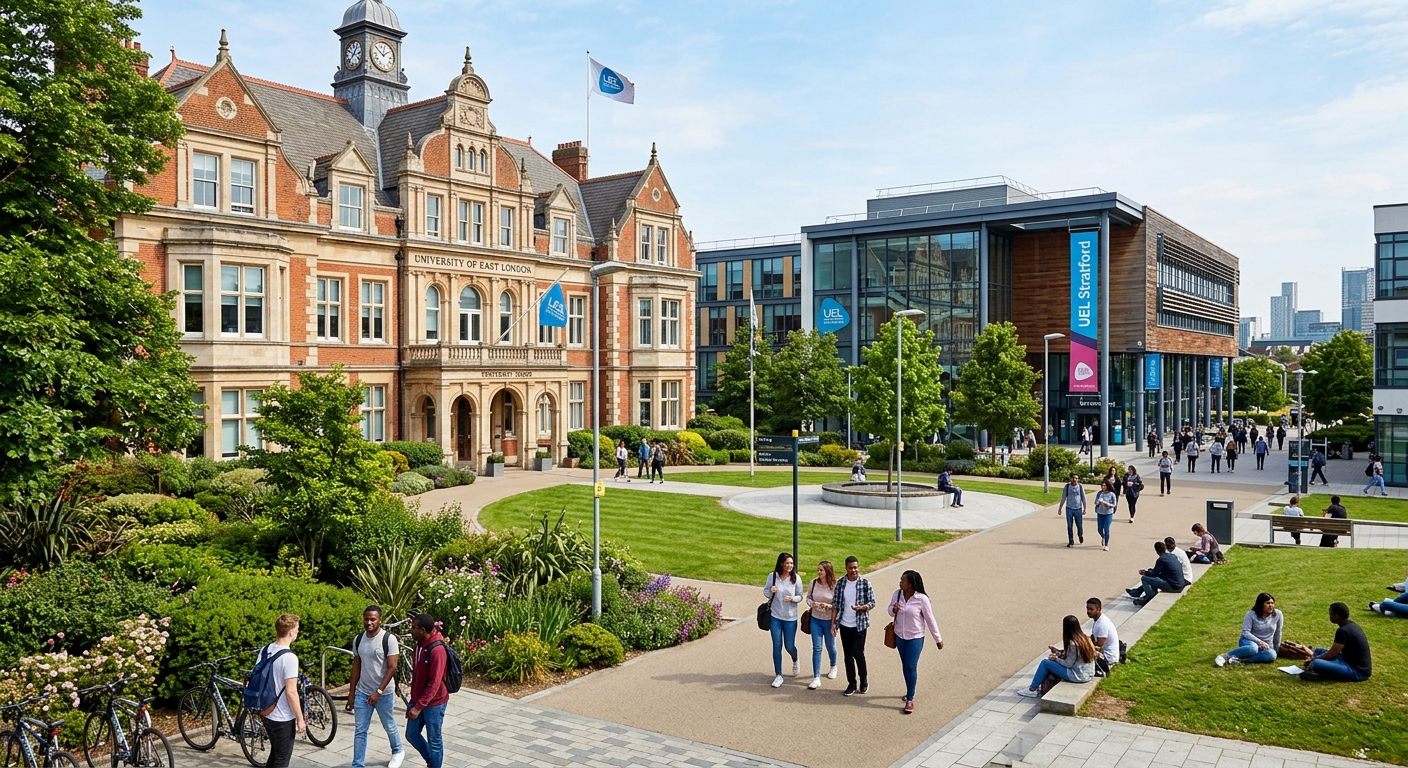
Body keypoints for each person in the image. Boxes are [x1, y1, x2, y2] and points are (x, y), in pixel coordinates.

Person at [346, 606, 405, 768]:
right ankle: (357, 764)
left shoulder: (389, 639)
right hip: (363, 692)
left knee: (389, 724)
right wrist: (351, 693)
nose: (369, 622)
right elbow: (356, 666)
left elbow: (392, 667)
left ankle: (398, 750)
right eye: (366, 619)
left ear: (380, 619)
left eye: (373, 619)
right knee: (360, 730)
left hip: (383, 693)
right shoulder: (359, 639)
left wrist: (378, 692)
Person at [887, 570, 944, 714]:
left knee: (911, 666)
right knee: (905, 666)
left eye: (903, 580)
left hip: (915, 637)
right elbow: (889, 611)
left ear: (910, 584)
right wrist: (894, 609)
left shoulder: (921, 599)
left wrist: (938, 639)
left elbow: (930, 620)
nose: (900, 582)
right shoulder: (897, 594)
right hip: (900, 636)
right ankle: (909, 690)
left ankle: (910, 699)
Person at [259, 613, 304, 768]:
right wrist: (300, 718)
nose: (298, 632)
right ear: (290, 632)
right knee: (282, 760)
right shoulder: (290, 658)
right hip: (282, 717)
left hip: (266, 712)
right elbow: (291, 693)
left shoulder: (265, 650)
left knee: (275, 753)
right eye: (297, 629)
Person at [406, 613, 448, 768]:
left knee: (434, 740)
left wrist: (418, 707)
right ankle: (432, 761)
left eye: (413, 628)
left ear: (423, 630)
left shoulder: (437, 650)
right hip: (418, 700)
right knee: (411, 734)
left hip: (434, 703)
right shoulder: (418, 646)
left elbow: (434, 683)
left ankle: (434, 764)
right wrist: (414, 701)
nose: (411, 631)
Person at [1017, 615, 1096, 698]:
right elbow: (1075, 657)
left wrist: (1056, 659)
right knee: (1049, 663)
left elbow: (1068, 664)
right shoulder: (1085, 638)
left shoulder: (1073, 643)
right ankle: (1035, 687)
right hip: (1088, 673)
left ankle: (1032, 689)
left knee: (1045, 663)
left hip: (1078, 675)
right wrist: (1059, 653)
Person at [1301, 603, 1371, 682]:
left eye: (1330, 614)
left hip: (1357, 672)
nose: (1329, 616)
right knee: (1318, 650)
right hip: (1347, 659)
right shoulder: (1351, 625)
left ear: (1336, 616)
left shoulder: (1343, 631)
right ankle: (1324, 669)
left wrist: (1313, 659)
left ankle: (1321, 672)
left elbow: (1332, 654)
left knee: (1317, 663)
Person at [835, 556, 875, 696]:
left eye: (856, 567)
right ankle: (851, 683)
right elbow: (836, 604)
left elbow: (872, 602)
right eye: (851, 568)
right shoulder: (840, 583)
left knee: (858, 653)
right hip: (845, 624)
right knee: (847, 656)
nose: (854, 570)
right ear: (846, 568)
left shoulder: (865, 583)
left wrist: (864, 607)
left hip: (860, 625)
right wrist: (833, 624)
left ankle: (863, 680)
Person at [764, 552, 804, 688]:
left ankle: (795, 658)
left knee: (789, 645)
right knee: (776, 645)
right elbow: (765, 592)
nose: (790, 566)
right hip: (775, 616)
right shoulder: (773, 576)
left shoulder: (796, 578)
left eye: (791, 563)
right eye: (787, 563)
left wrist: (792, 598)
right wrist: (771, 590)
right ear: (781, 563)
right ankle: (778, 675)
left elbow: (800, 596)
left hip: (790, 617)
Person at [1215, 592, 1283, 666]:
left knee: (1272, 655)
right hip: (1249, 641)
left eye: (1272, 603)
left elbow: (1278, 632)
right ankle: (1224, 657)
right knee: (1253, 648)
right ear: (1261, 604)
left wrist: (1276, 650)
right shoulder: (1251, 614)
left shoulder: (1278, 614)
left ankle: (1239, 660)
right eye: (1268, 603)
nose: (1271, 606)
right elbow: (1245, 632)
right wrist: (1259, 641)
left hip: (1265, 646)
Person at [804, 561, 839, 690]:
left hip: (829, 620)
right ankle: (816, 677)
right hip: (815, 619)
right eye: (818, 570)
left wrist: (829, 606)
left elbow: (838, 603)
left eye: (821, 570)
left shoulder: (835, 585)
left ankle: (833, 666)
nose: (819, 573)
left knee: (830, 646)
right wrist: (814, 604)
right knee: (817, 648)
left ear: (828, 572)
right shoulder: (813, 583)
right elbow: (808, 598)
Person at [1127, 541, 1186, 606]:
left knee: (1145, 578)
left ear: (1156, 551)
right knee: (1152, 577)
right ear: (1165, 548)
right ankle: (1136, 592)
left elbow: (1153, 574)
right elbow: (1157, 572)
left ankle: (1149, 597)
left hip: (1174, 587)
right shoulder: (1173, 556)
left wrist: (1145, 572)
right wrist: (1150, 572)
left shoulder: (1161, 560)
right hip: (1180, 584)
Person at [1086, 597, 1120, 674]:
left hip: (1108, 657)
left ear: (1099, 609)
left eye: (1091, 609)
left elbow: (1098, 646)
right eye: (1087, 609)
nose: (1088, 611)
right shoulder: (1098, 620)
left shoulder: (1102, 624)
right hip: (1105, 653)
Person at [1060, 474, 1087, 547]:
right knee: (1069, 526)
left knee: (1079, 525)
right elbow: (1063, 497)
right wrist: (1060, 508)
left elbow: (1083, 497)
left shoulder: (1080, 486)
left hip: (1078, 509)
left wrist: (1085, 508)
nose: (1075, 479)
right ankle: (1071, 541)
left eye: (1076, 478)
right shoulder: (1067, 487)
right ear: (1070, 478)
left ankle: (1080, 535)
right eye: (1073, 478)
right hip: (1069, 509)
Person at [1094, 480, 1116, 551]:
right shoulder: (1099, 493)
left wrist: (1107, 504)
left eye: (1104, 486)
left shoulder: (1112, 494)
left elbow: (1114, 504)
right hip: (1100, 513)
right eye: (1102, 486)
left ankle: (1106, 544)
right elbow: (1095, 501)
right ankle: (1103, 537)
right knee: (1099, 529)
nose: (1103, 487)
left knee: (1106, 528)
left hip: (1108, 513)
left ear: (1107, 486)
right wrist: (1099, 503)